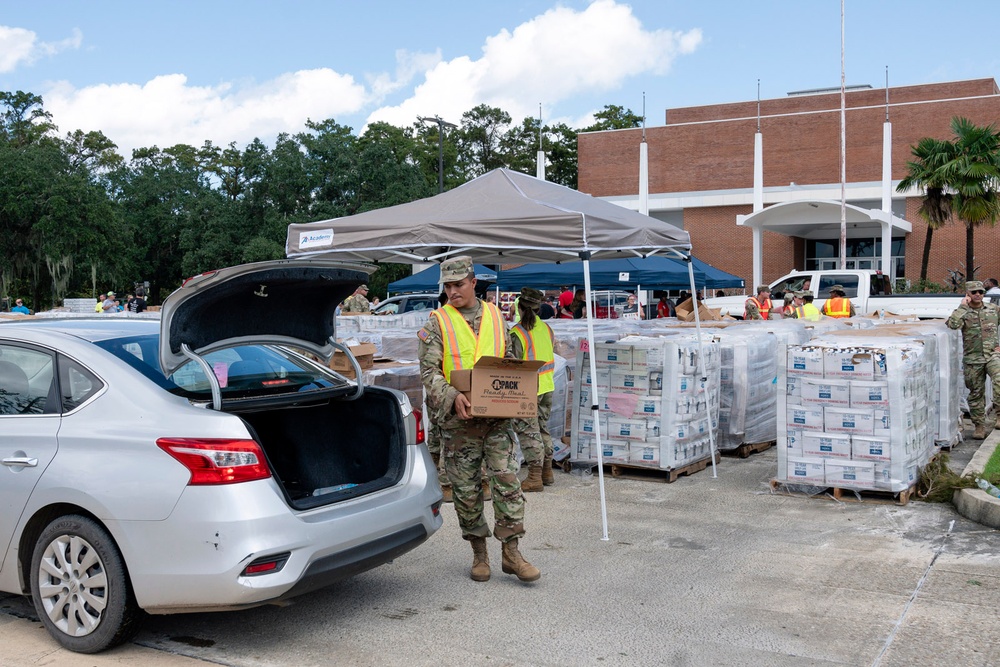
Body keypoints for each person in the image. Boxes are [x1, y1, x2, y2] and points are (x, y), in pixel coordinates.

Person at [417, 256, 539, 583]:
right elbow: (429, 373)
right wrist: (452, 396)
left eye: (458, 285)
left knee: (507, 480)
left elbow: (509, 360)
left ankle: (512, 553)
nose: (453, 291)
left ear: (473, 282)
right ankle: (479, 553)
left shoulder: (497, 317)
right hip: (459, 425)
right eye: (447, 286)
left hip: (496, 420)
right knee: (467, 491)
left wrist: (518, 387)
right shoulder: (437, 322)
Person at [510, 288, 556, 493]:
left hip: (529, 389)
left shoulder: (517, 333)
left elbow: (514, 365)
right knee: (542, 428)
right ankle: (547, 472)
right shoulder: (546, 329)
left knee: (529, 433)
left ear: (519, 307)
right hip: (547, 385)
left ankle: (535, 477)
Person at [946, 280, 1000, 440]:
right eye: (974, 292)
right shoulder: (963, 312)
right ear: (968, 294)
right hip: (972, 359)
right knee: (976, 393)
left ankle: (999, 414)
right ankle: (979, 426)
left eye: (981, 292)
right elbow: (952, 325)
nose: (978, 295)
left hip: (992, 355)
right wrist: (963, 306)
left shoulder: (993, 309)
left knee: (999, 382)